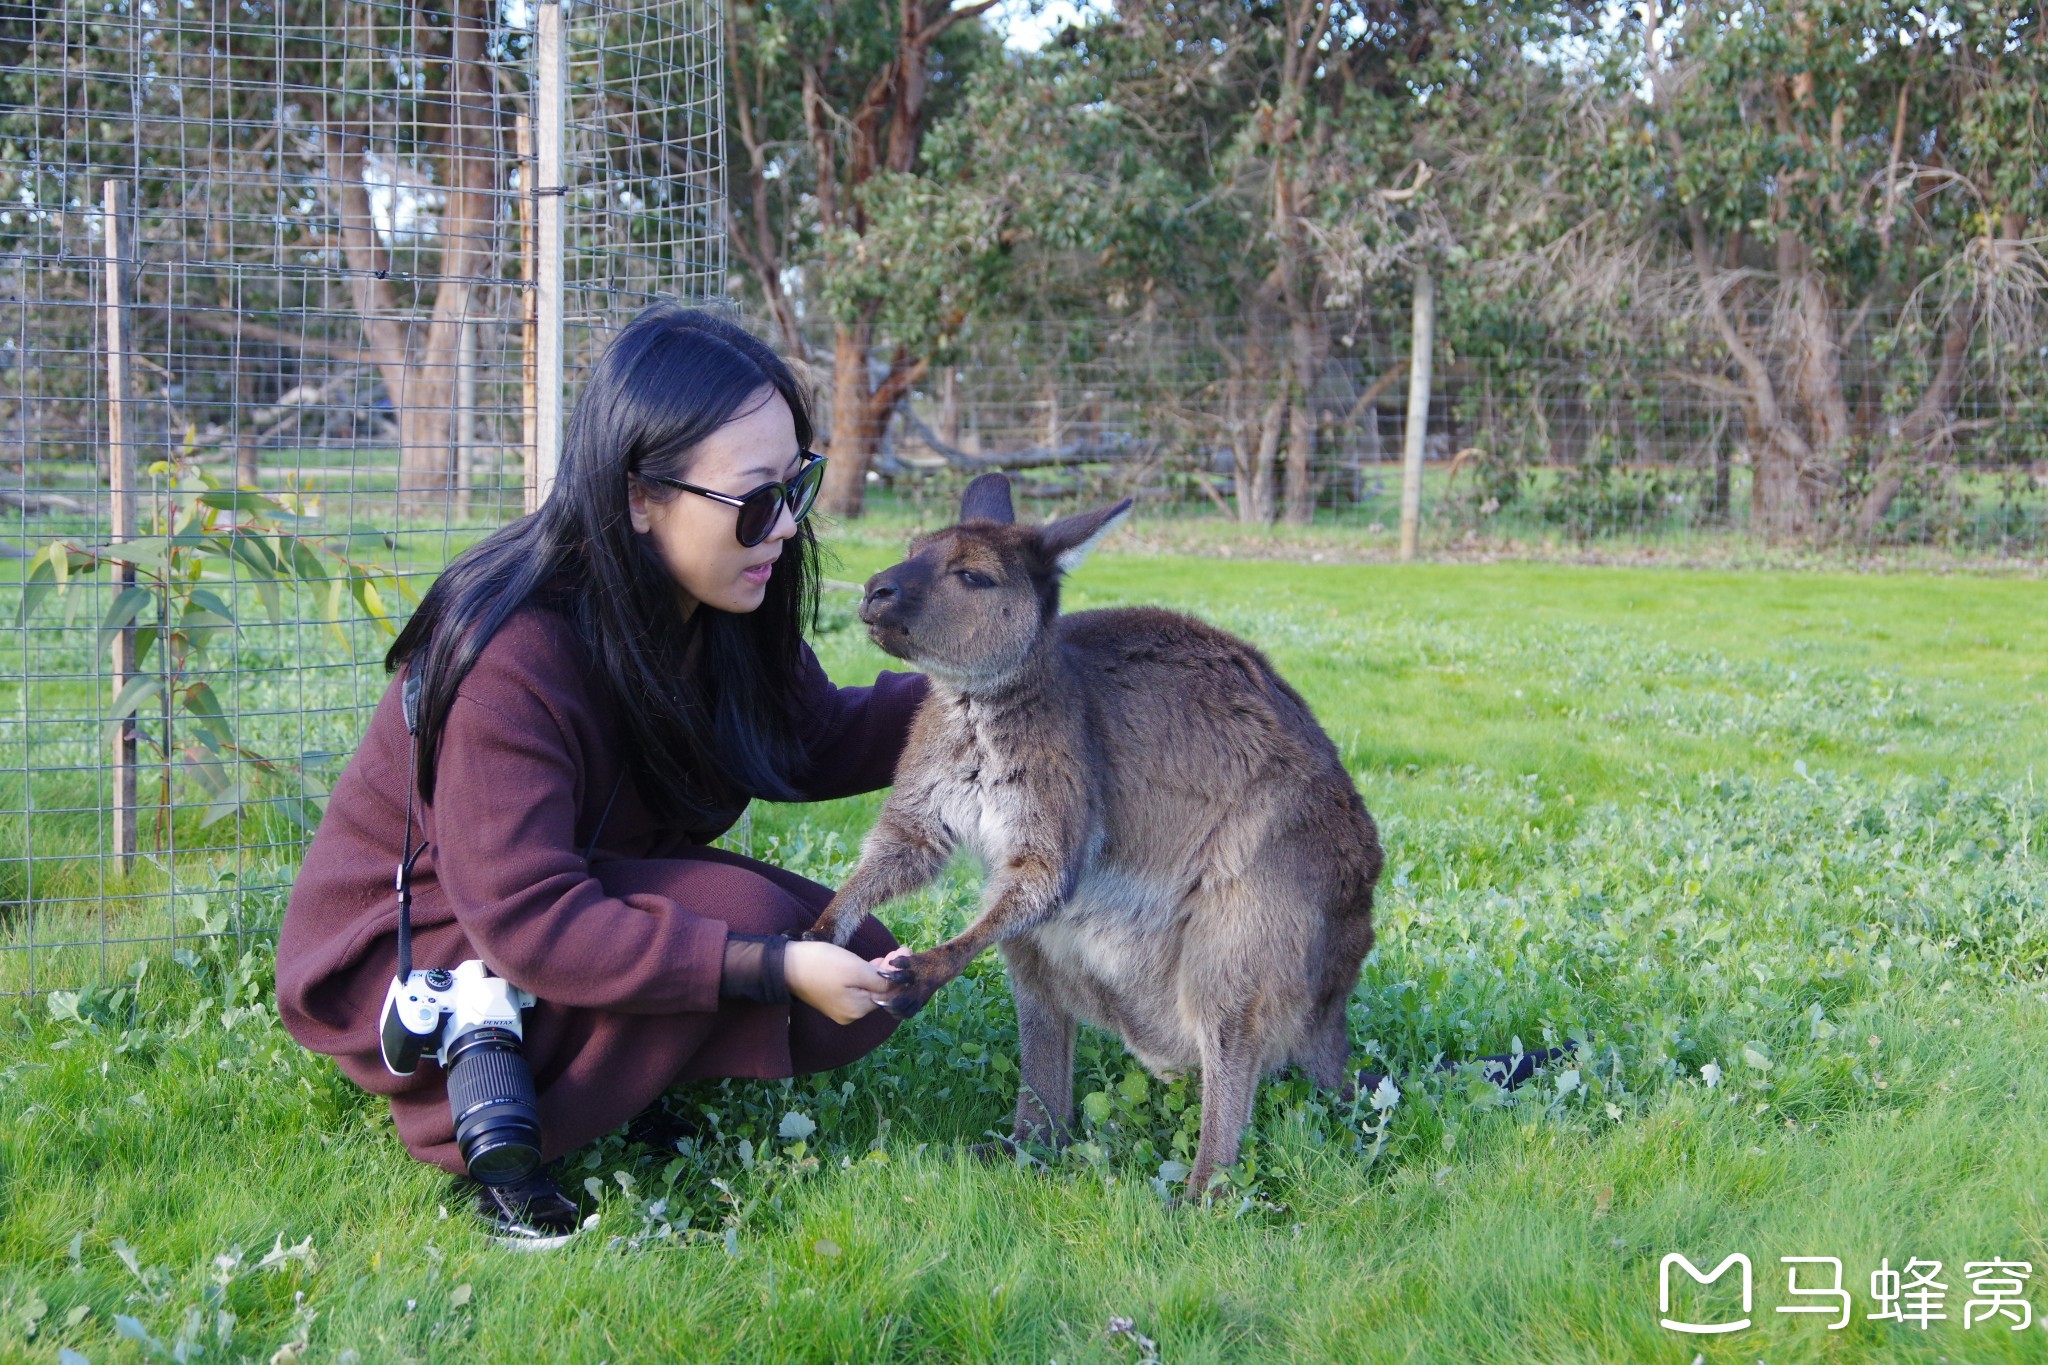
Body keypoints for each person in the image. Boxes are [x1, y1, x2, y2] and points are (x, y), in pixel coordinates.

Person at [275, 304, 926, 1246]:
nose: (784, 525)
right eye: (754, 498)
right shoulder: (511, 648)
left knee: (857, 967)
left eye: (799, 485)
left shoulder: (718, 604)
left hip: (556, 897)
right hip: (420, 943)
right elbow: (531, 915)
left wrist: (997, 696)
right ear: (637, 495)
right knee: (764, 936)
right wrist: (771, 965)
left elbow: (815, 735)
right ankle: (479, 1111)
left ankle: (624, 1070)